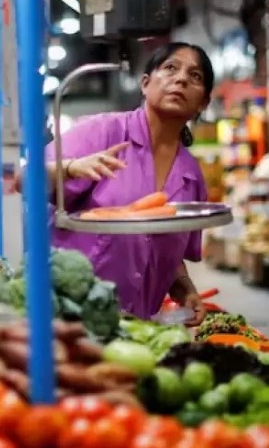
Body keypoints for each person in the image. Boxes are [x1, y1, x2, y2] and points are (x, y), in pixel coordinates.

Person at [39, 42, 214, 325]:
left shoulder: (191, 177)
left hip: (136, 329)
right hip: (67, 318)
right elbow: (25, 179)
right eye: (170, 68)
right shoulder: (103, 132)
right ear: (145, 84)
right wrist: (71, 168)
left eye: (195, 76)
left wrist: (185, 289)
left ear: (203, 102)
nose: (181, 79)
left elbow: (168, 254)